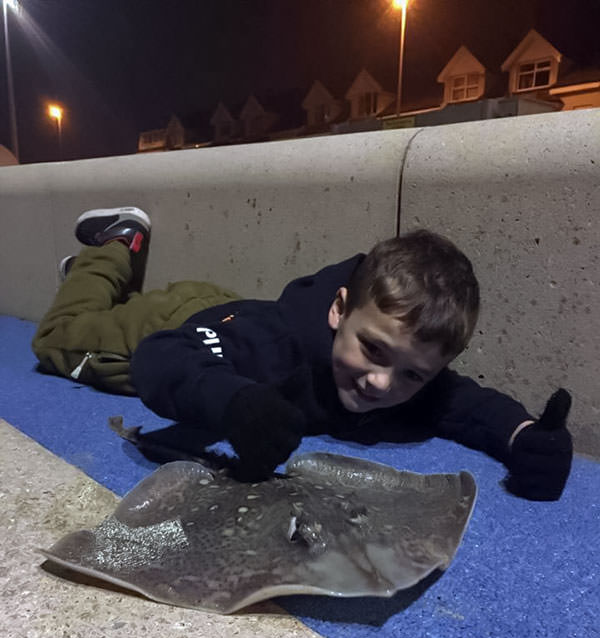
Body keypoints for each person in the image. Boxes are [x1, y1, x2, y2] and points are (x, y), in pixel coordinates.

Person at [32, 206, 573, 499]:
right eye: (373, 350)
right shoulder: (273, 348)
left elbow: (470, 405)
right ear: (340, 310)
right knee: (58, 338)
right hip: (179, 327)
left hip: (232, 318)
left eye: (412, 375)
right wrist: (234, 403)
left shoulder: (408, 372)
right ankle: (112, 249)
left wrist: (526, 438)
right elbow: (161, 357)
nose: (382, 384)